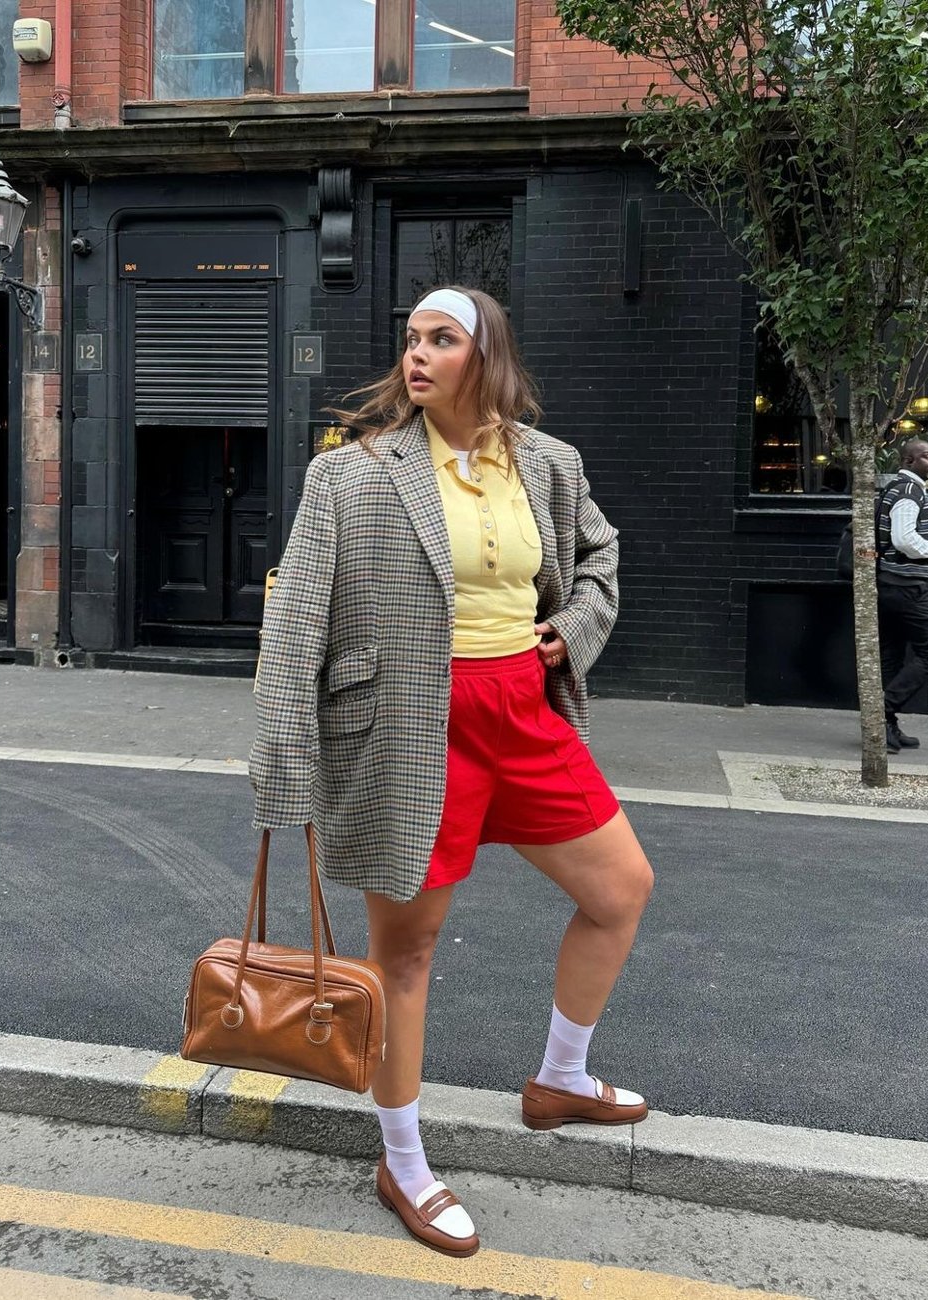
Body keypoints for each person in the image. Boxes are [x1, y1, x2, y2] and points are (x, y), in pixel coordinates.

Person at [250, 286, 654, 1258]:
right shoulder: (350, 478)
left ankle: (560, 1075)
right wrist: (285, 775)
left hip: (523, 711)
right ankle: (403, 1158)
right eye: (411, 340)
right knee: (408, 957)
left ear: (487, 357)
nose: (417, 355)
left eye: (442, 339)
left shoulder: (548, 463)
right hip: (408, 729)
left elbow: (601, 554)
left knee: (620, 888)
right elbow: (294, 621)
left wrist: (571, 627)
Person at [877, 438, 928, 753]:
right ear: (908, 461)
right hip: (906, 588)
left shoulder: (900, 489)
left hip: (891, 585)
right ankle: (883, 713)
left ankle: (885, 728)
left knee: (892, 656)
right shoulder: (908, 492)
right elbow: (904, 540)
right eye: (926, 457)